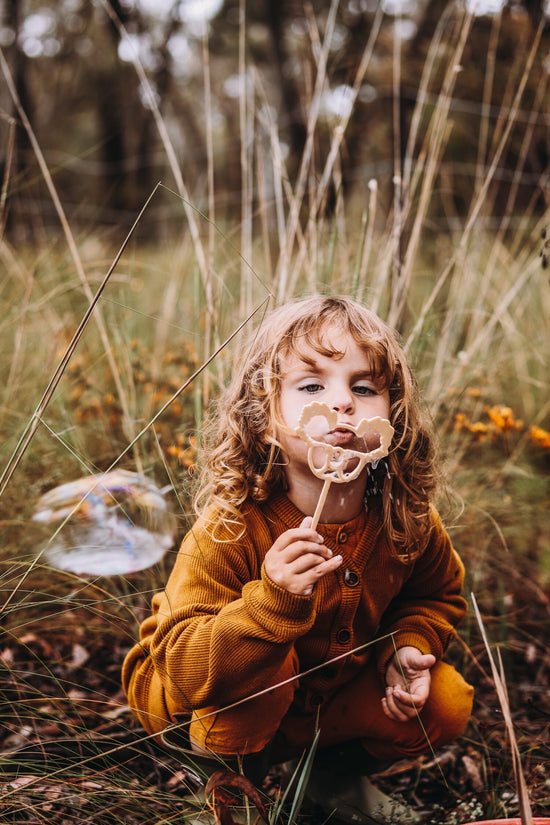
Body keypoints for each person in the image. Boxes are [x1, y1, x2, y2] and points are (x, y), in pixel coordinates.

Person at [122, 295, 473, 788]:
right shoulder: (230, 527)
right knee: (267, 668)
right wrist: (272, 602)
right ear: (263, 418)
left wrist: (405, 647)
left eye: (364, 387)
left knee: (444, 704)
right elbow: (183, 668)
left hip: (323, 701)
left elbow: (434, 596)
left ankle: (326, 788)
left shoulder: (405, 518)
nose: (343, 402)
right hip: (198, 703)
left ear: (394, 413)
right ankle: (231, 792)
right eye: (312, 385)